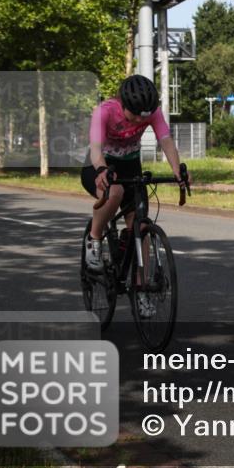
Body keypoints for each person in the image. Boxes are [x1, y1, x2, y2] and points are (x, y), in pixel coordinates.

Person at [80, 75, 188, 317]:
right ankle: (94, 238)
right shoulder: (104, 112)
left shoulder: (152, 112)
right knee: (115, 191)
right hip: (98, 164)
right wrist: (101, 170)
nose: (140, 120)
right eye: (135, 115)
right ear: (123, 104)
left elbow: (166, 140)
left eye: (144, 116)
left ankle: (141, 291)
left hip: (130, 166)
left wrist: (177, 171)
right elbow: (96, 150)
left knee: (141, 227)